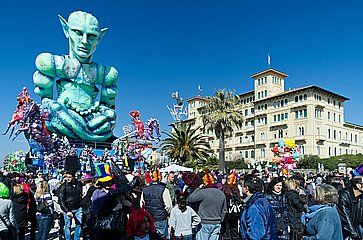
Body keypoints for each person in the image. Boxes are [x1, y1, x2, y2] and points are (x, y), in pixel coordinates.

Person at [187, 171, 227, 240]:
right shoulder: (221, 193)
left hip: (204, 222)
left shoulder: (203, 192)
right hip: (217, 223)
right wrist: (221, 219)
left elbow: (190, 199)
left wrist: (198, 188)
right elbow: (224, 210)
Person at [240, 175, 277, 240]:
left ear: (246, 188)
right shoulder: (262, 201)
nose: (241, 188)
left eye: (242, 186)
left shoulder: (254, 207)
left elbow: (256, 234)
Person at [140, 168, 172, 239]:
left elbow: (142, 205)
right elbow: (168, 206)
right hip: (161, 218)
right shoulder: (164, 189)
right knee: (162, 237)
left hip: (149, 218)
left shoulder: (145, 190)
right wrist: (167, 214)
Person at [337, 175, 363, 239]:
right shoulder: (344, 195)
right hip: (342, 232)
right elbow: (345, 218)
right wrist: (355, 235)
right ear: (358, 185)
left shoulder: (360, 197)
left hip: (354, 229)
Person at [58, 172, 83, 240]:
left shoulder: (79, 184)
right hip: (68, 208)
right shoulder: (63, 186)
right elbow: (61, 199)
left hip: (78, 207)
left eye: (69, 177)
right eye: (67, 177)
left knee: (79, 224)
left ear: (73, 177)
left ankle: (76, 238)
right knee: (67, 225)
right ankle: (68, 239)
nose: (68, 179)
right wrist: (67, 211)